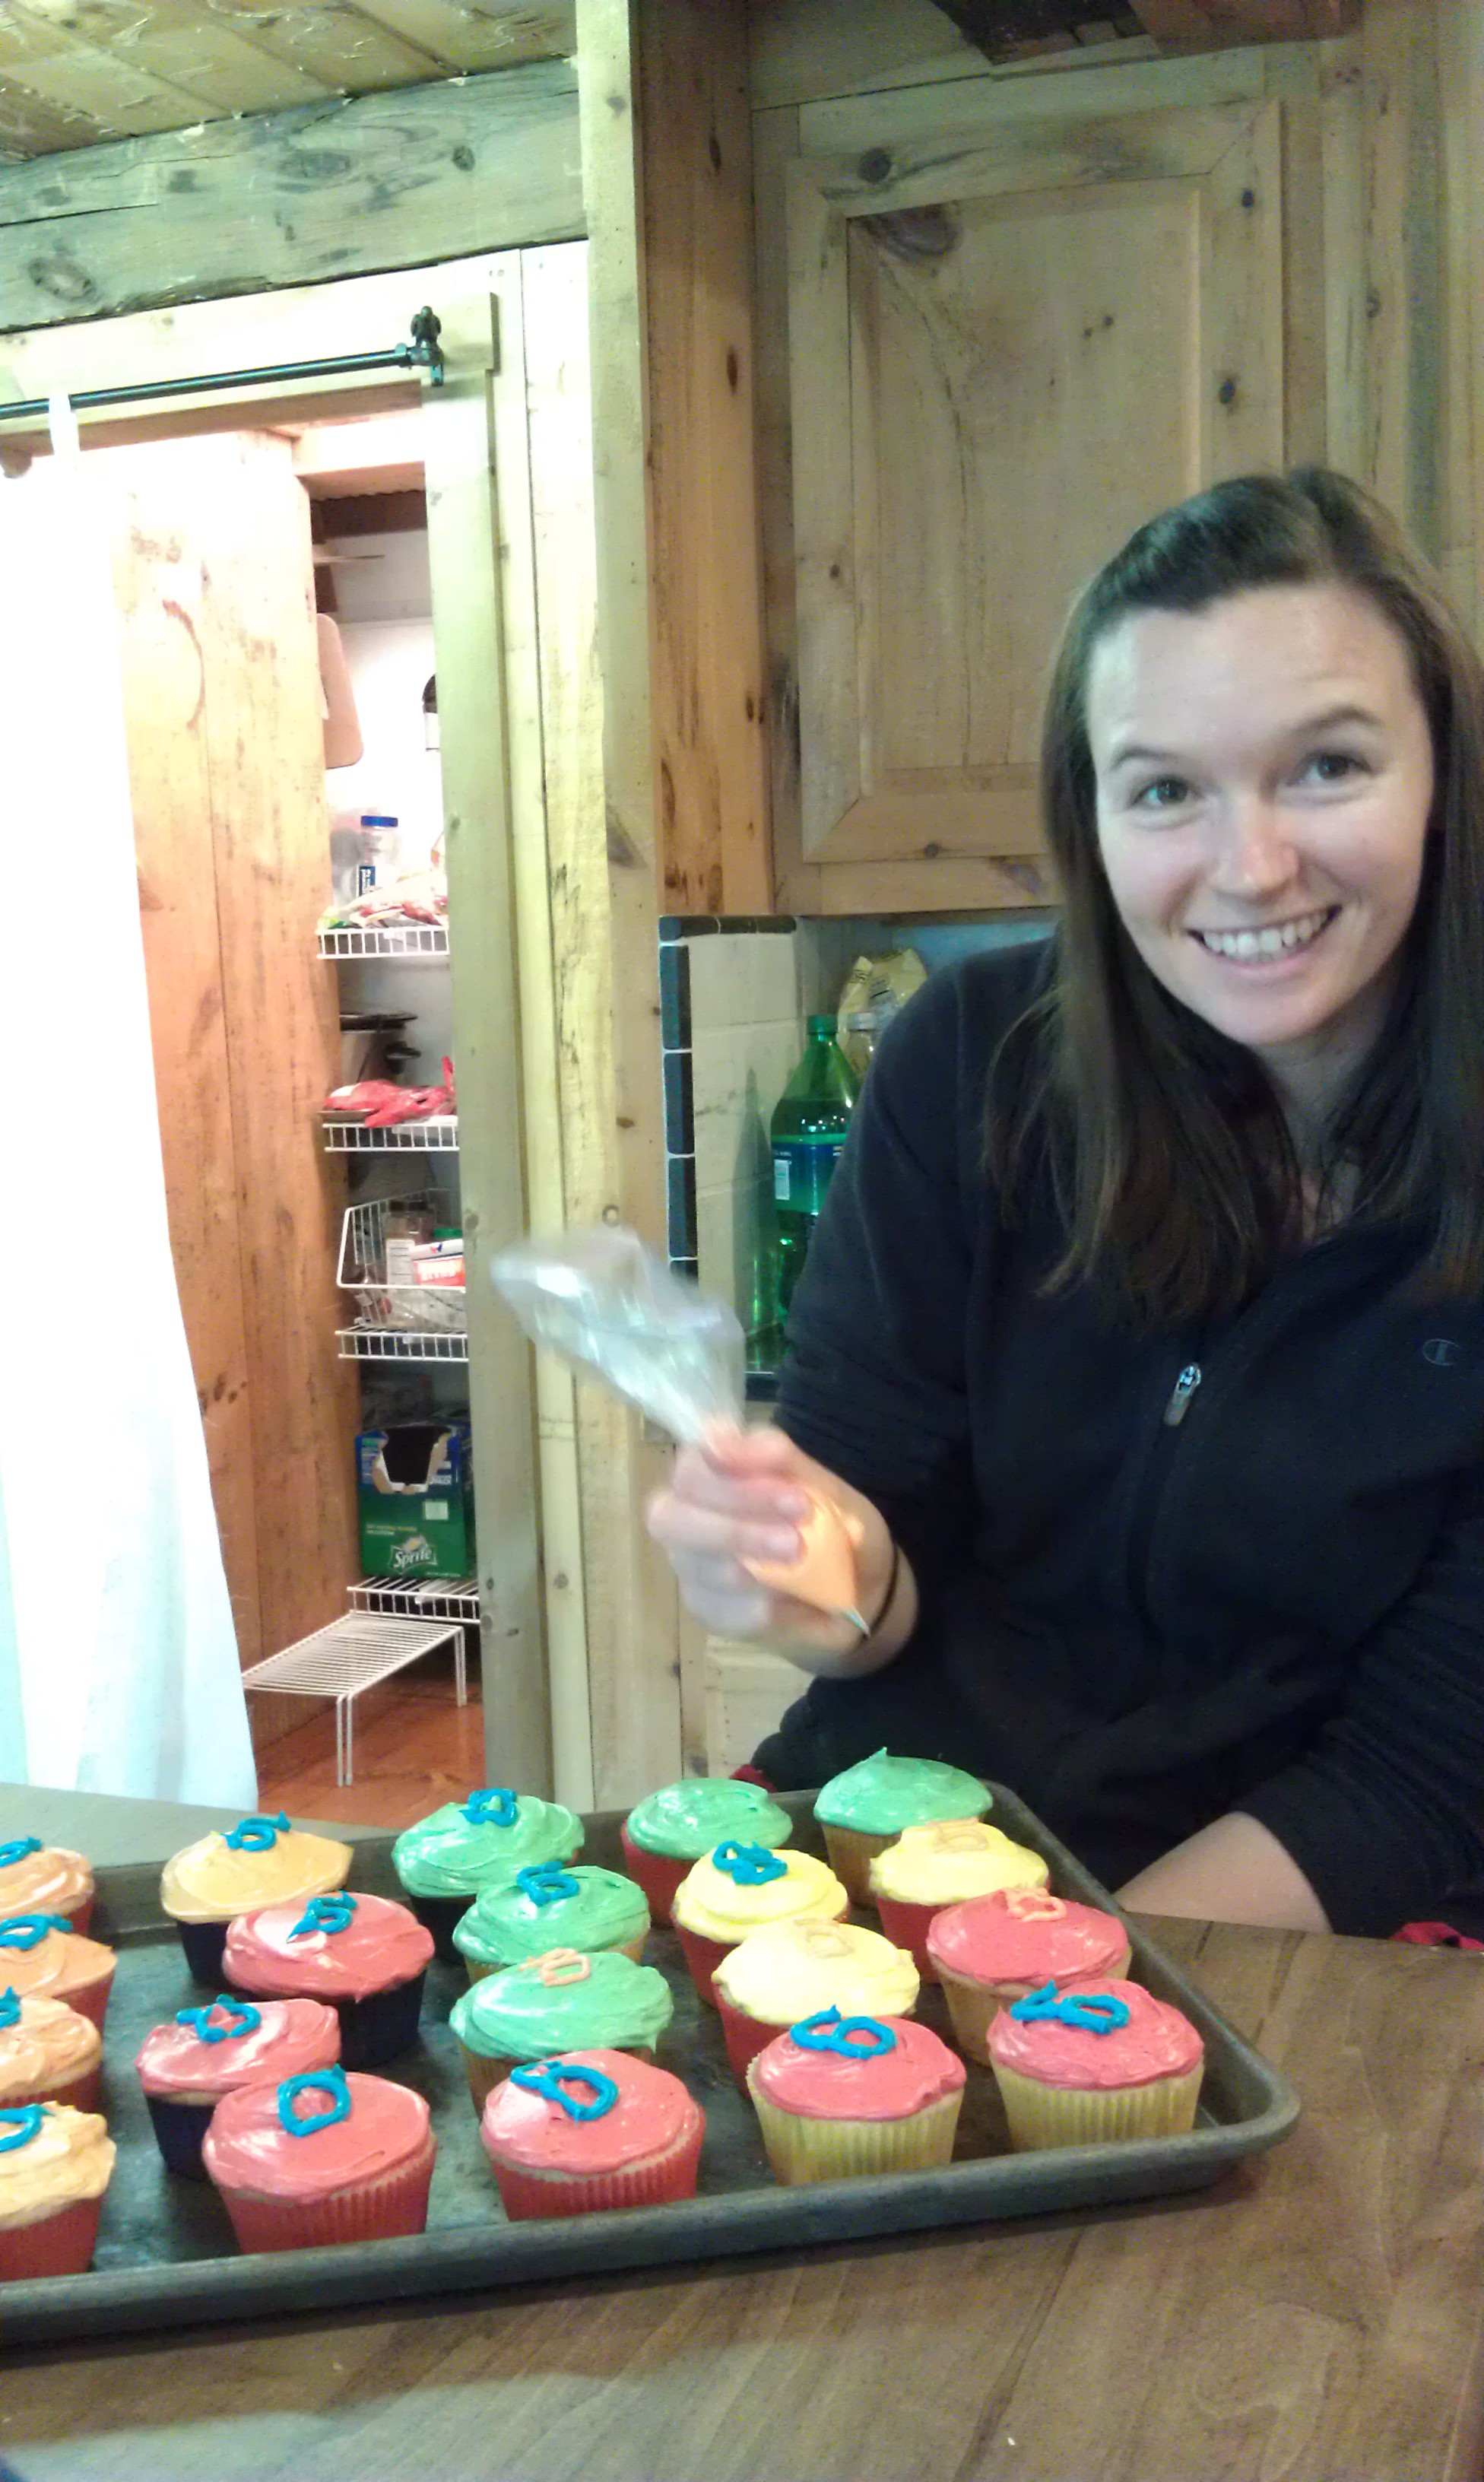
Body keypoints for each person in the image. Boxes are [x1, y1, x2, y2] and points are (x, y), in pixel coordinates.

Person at [645, 466, 1484, 1941]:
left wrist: (1064, 1989)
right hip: (910, 1833)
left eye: (1326, 766)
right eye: (1165, 789)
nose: (1251, 866)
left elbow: (1427, 1767)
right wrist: (806, 1567)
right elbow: (878, 1586)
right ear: (1090, 820)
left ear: (1440, 779)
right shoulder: (969, 1063)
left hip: (1317, 1917)